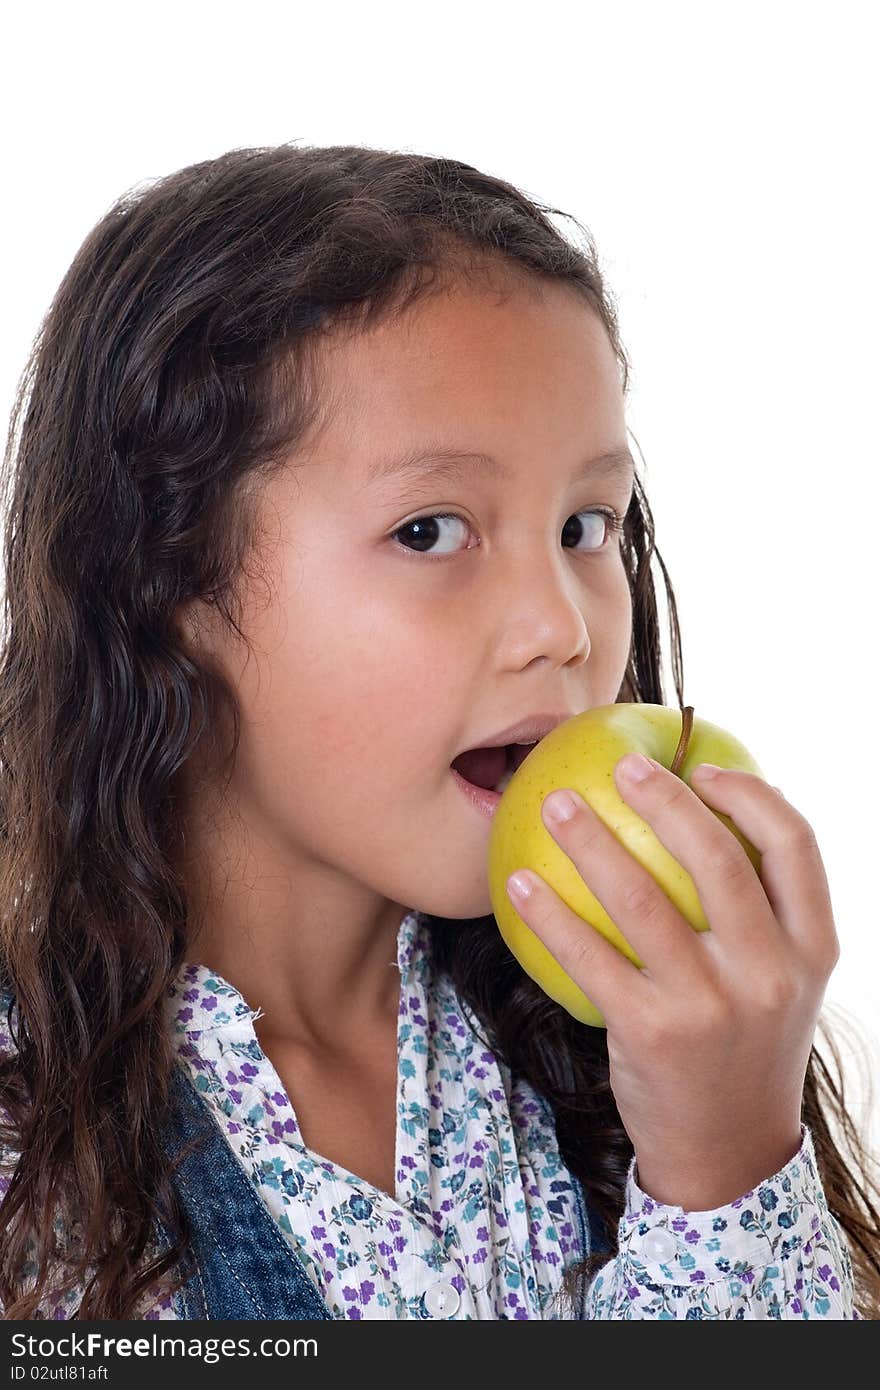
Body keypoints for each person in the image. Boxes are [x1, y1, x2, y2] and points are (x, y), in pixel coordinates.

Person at [1, 143, 878, 1322]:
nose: (560, 627)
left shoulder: (607, 1077)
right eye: (429, 530)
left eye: (584, 523)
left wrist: (726, 1168)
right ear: (169, 574)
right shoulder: (33, 1152)